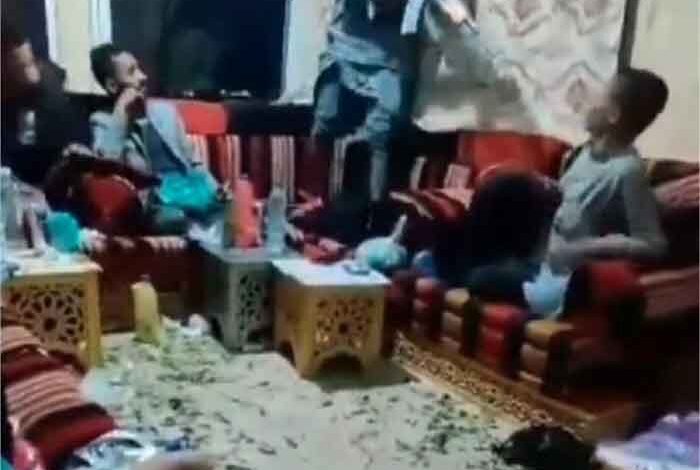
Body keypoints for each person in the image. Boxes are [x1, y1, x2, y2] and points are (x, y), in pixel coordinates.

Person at [525, 67, 669, 317]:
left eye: (598, 96)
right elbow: (568, 205)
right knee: (507, 189)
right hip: (538, 262)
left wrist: (584, 248)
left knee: (484, 278)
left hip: (561, 281)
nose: (588, 103)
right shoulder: (584, 153)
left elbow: (652, 244)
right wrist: (547, 190)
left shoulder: (628, 170)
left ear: (613, 115)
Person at [89, 43, 222, 235]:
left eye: (139, 68)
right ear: (112, 85)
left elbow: (193, 162)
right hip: (156, 202)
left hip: (188, 191)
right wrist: (121, 111)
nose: (143, 76)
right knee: (174, 218)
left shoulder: (165, 112)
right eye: (132, 72)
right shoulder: (103, 121)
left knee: (234, 209)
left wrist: (216, 192)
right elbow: (106, 166)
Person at [312, 0, 416, 204]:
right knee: (325, 118)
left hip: (390, 57)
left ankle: (373, 210)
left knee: (379, 134)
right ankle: (316, 199)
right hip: (343, 46)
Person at [1, 21, 90, 187]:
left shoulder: (50, 91)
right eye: (19, 68)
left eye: (30, 63)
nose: (31, 74)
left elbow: (76, 143)